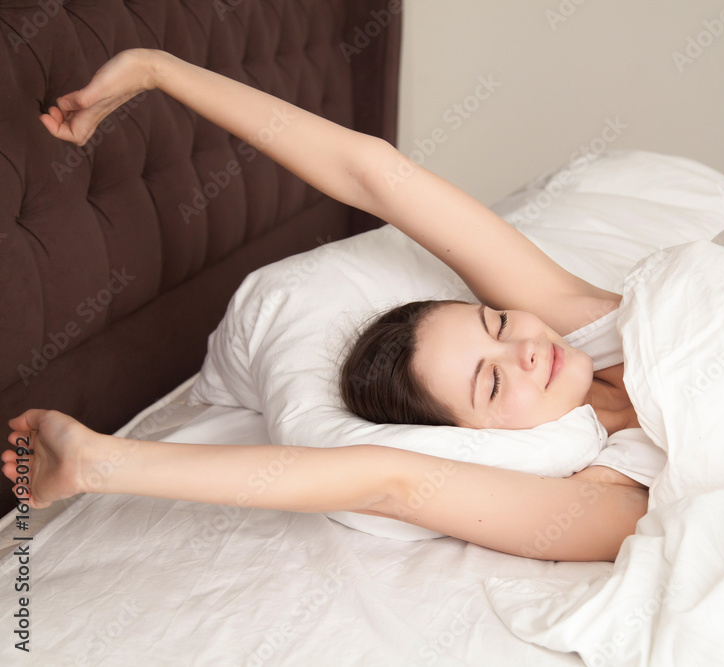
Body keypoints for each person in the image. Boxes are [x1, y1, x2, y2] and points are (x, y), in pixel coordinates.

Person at [2, 48, 652, 562]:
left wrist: (157, 70)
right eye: (492, 382)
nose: (527, 349)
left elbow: (374, 174)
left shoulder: (595, 321)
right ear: (470, 438)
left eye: (500, 321)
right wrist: (98, 463)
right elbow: (388, 481)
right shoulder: (614, 505)